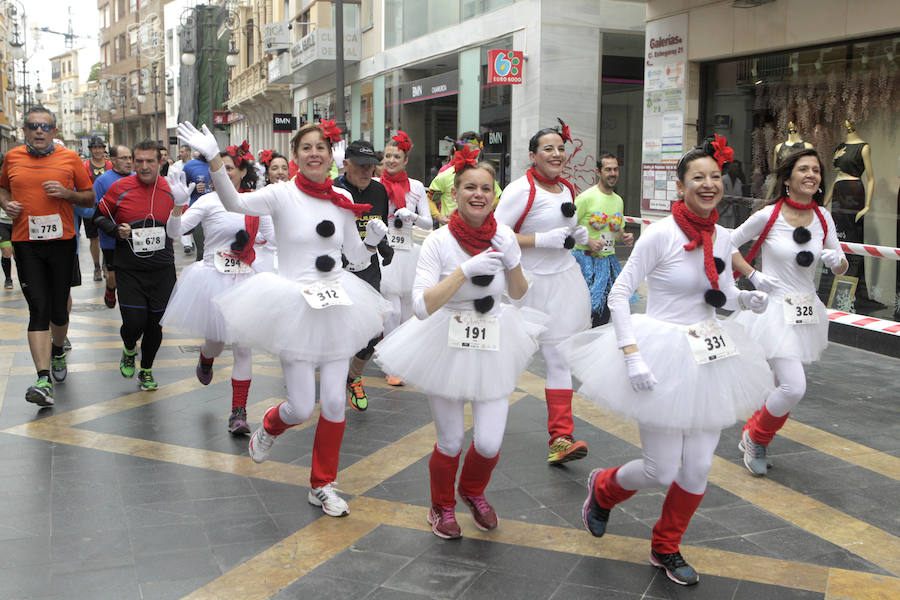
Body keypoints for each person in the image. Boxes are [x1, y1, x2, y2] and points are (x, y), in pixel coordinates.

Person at [568, 136, 772, 585]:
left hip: (708, 351)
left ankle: (666, 546)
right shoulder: (660, 234)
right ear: (680, 186)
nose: (708, 184)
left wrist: (745, 300)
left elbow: (718, 290)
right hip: (658, 350)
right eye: (698, 177)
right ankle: (603, 488)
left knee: (698, 467)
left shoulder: (721, 235)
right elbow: (621, 294)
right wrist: (632, 355)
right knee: (662, 468)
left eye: (715, 177)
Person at [177, 120, 390, 517]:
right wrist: (213, 160)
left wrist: (375, 237)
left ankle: (322, 484)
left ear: (331, 156)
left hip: (337, 303)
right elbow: (235, 204)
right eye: (306, 147)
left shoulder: (342, 198)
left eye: (321, 148)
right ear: (295, 156)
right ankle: (272, 425)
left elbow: (357, 258)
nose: (314, 153)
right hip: (295, 306)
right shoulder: (280, 194)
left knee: (333, 403)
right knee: (300, 407)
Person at [374, 155, 540, 539]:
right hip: (445, 340)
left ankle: (472, 491)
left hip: (495, 337)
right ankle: (441, 506)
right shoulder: (438, 241)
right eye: (470, 187)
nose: (478, 195)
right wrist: (464, 271)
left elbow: (517, 296)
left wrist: (512, 260)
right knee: (450, 440)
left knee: (490, 440)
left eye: (486, 188)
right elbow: (420, 305)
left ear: (494, 195)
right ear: (455, 193)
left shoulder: (504, 237)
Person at [731, 149, 848, 476]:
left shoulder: (824, 217)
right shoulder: (768, 215)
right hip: (772, 311)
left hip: (806, 311)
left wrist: (836, 261)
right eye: (804, 169)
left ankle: (756, 436)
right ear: (787, 178)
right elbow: (726, 245)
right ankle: (756, 436)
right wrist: (752, 275)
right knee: (793, 387)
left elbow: (841, 264)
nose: (811, 175)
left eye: (816, 170)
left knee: (783, 385)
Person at [494, 121, 592, 465]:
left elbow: (563, 227)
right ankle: (486, 424)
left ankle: (561, 437)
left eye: (561, 148)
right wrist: (539, 240)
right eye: (548, 149)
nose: (556, 154)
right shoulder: (520, 190)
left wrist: (578, 234)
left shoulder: (567, 188)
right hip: (525, 285)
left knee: (559, 358)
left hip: (564, 283)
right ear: (533, 156)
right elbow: (495, 233)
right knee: (507, 358)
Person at [162, 143, 275, 434]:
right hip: (212, 278)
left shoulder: (255, 202)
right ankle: (206, 355)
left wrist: (259, 242)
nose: (220, 173)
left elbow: (272, 239)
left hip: (247, 279)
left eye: (227, 168)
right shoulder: (208, 201)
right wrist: (176, 205)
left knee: (243, 348)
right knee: (215, 341)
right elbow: (175, 232)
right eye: (216, 168)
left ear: (242, 172)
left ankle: (238, 412)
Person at [0, 107, 95, 406]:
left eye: (45, 126)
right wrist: (6, 204)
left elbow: (89, 196)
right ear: (24, 130)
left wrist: (68, 195)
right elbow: (2, 188)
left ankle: (57, 351)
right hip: (26, 243)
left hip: (61, 242)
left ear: (54, 131)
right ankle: (43, 378)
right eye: (33, 126)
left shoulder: (70, 159)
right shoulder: (12, 157)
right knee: (38, 308)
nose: (39, 131)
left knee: (58, 308)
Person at [94, 140, 180, 392]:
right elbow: (97, 216)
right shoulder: (120, 188)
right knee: (134, 322)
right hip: (129, 268)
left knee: (155, 325)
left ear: (160, 162)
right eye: (138, 161)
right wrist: (114, 230)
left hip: (162, 269)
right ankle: (129, 348)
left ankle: (146, 370)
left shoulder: (171, 190)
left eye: (149, 161)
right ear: (132, 161)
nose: (144, 166)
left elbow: (184, 221)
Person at [334, 138, 392, 411]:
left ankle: (353, 376)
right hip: (337, 270)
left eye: (371, 166)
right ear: (346, 164)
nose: (366, 171)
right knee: (338, 329)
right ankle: (327, 377)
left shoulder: (379, 191)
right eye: (360, 165)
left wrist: (384, 246)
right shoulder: (334, 191)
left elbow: (378, 224)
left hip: (368, 269)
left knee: (374, 328)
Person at [377, 131, 433, 386]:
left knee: (408, 311)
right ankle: (391, 361)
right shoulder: (377, 185)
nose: (391, 160)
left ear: (405, 159)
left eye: (396, 156)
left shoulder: (417, 187)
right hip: (385, 251)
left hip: (410, 251)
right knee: (391, 311)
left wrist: (411, 216)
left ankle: (403, 356)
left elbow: (428, 222)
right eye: (387, 156)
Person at [573, 153, 635, 327]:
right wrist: (588, 241)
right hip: (585, 263)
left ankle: (593, 348)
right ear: (598, 172)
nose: (613, 173)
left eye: (615, 169)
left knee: (605, 312)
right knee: (584, 312)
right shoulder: (585, 198)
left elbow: (616, 229)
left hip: (607, 263)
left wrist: (624, 236)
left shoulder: (618, 200)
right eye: (608, 169)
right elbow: (567, 228)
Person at [429, 132, 502, 226]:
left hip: (478, 232)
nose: (470, 152)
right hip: (450, 232)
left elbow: (497, 200)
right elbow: (431, 198)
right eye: (466, 148)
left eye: (474, 148)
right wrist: (438, 216)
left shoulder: (485, 176)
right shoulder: (445, 176)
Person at [93, 145, 134, 309]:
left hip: (133, 236)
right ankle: (111, 288)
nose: (128, 162)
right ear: (112, 160)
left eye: (130, 158)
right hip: (110, 238)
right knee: (113, 274)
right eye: (124, 158)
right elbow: (96, 211)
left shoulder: (137, 177)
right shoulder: (102, 181)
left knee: (131, 273)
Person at [82, 136, 112, 281]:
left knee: (108, 235)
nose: (98, 150)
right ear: (91, 150)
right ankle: (96, 267)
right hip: (91, 207)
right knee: (94, 238)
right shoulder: (85, 166)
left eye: (100, 148)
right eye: (95, 148)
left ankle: (106, 263)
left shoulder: (110, 165)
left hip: (108, 207)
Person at [182, 151, 211, 258]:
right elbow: (181, 188)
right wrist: (193, 188)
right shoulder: (190, 166)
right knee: (202, 251)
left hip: (219, 211)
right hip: (199, 212)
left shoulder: (220, 163)